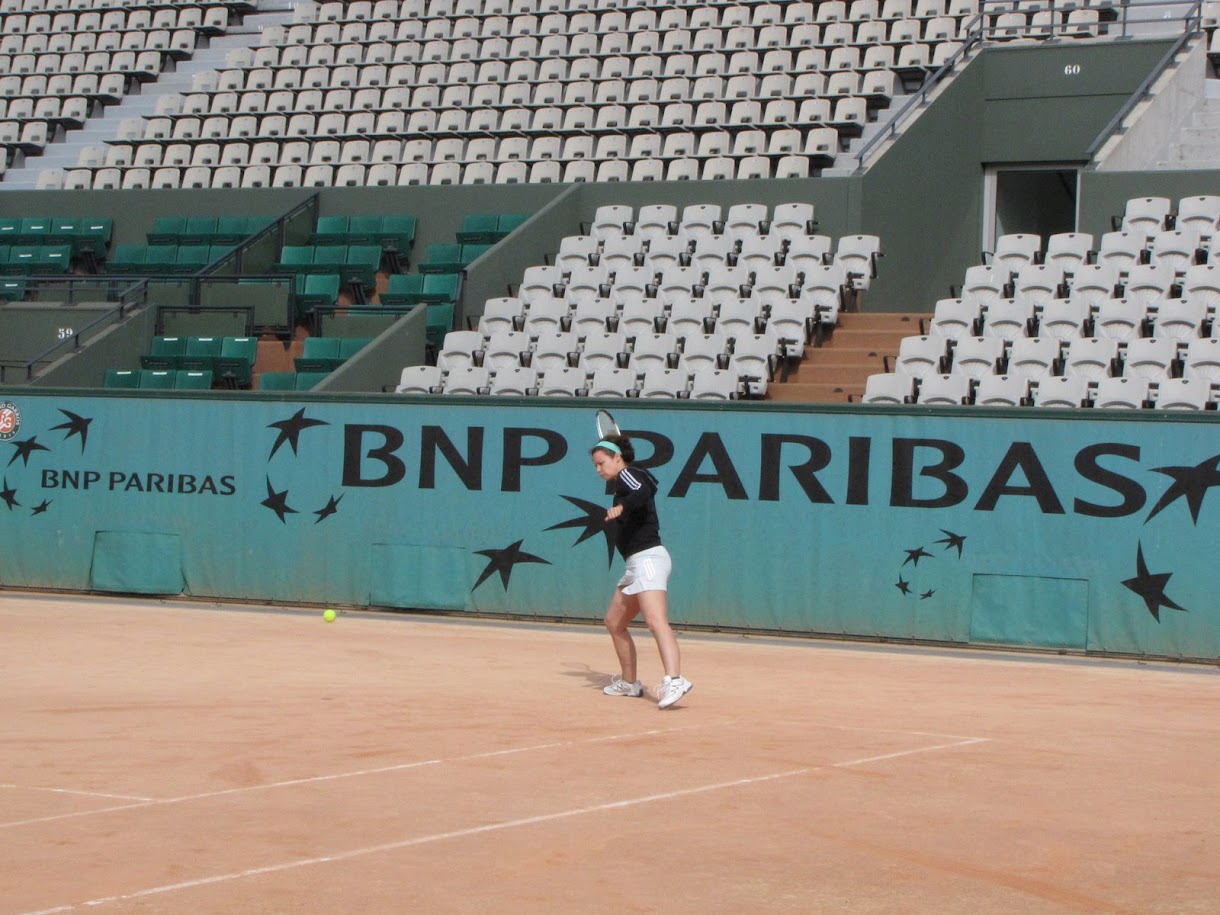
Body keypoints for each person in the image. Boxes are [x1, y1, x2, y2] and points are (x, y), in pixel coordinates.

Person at [591, 434, 692, 710]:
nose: (598, 470)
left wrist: (622, 507)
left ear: (617, 458)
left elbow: (647, 487)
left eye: (601, 463)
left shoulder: (629, 475)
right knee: (614, 622)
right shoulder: (622, 483)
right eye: (595, 466)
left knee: (655, 621)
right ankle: (630, 682)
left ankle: (675, 679)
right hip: (636, 564)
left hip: (649, 559)